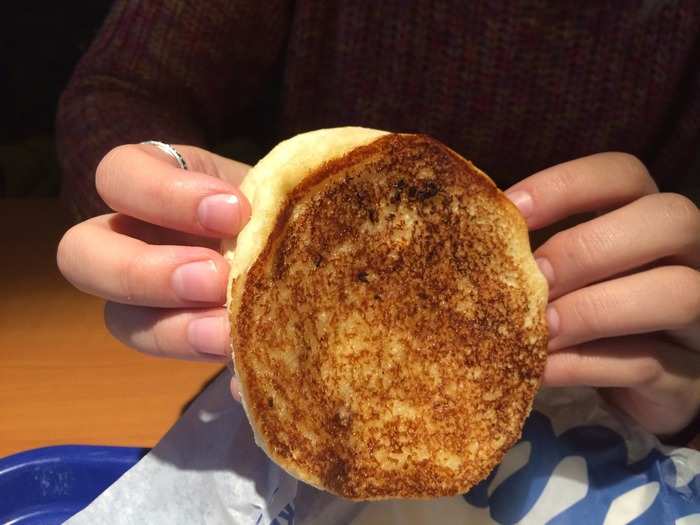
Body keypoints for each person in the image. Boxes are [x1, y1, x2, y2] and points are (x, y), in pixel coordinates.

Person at [55, 1, 700, 443]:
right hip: (293, 396)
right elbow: (120, 87)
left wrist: (687, 397)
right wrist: (163, 196)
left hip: (623, 413)